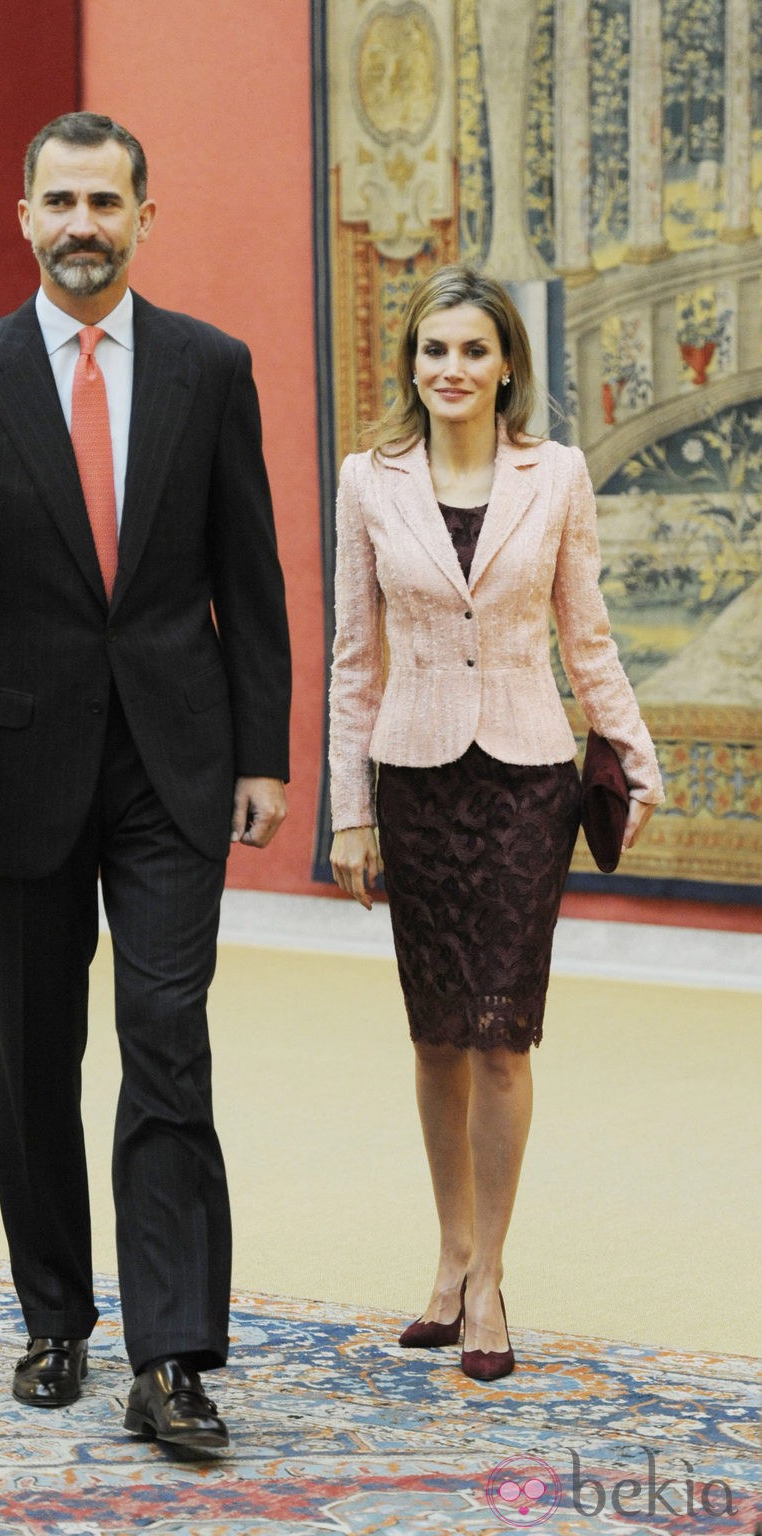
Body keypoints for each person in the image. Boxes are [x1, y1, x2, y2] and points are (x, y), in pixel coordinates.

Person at [0, 111, 291, 1448]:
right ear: (25, 216)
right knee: (35, 1055)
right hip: (13, 771)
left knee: (169, 1042)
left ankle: (174, 1357)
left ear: (144, 217)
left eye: (106, 202)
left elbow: (252, 576)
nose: (82, 225)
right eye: (60, 201)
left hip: (175, 765)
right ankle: (56, 1315)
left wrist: (268, 753)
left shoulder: (211, 369)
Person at [328, 266, 662, 1382]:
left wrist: (635, 753)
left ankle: (489, 1280)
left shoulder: (555, 474)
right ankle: (448, 1254)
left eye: (472, 351)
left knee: (502, 1031)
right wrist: (347, 816)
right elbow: (352, 660)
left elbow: (588, 634)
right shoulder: (365, 481)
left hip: (524, 776)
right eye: (433, 351)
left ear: (505, 363)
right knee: (433, 1032)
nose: (451, 370)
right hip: (413, 777)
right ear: (411, 364)